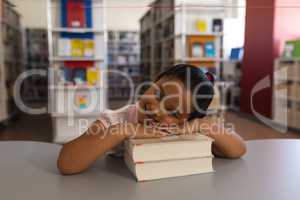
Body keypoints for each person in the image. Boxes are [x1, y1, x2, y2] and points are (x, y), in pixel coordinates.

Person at [57, 64, 246, 175]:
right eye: (158, 94)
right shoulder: (115, 120)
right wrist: (125, 130)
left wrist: (201, 125)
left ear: (186, 120)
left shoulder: (188, 127)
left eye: (173, 113)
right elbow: (66, 163)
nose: (156, 109)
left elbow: (239, 149)